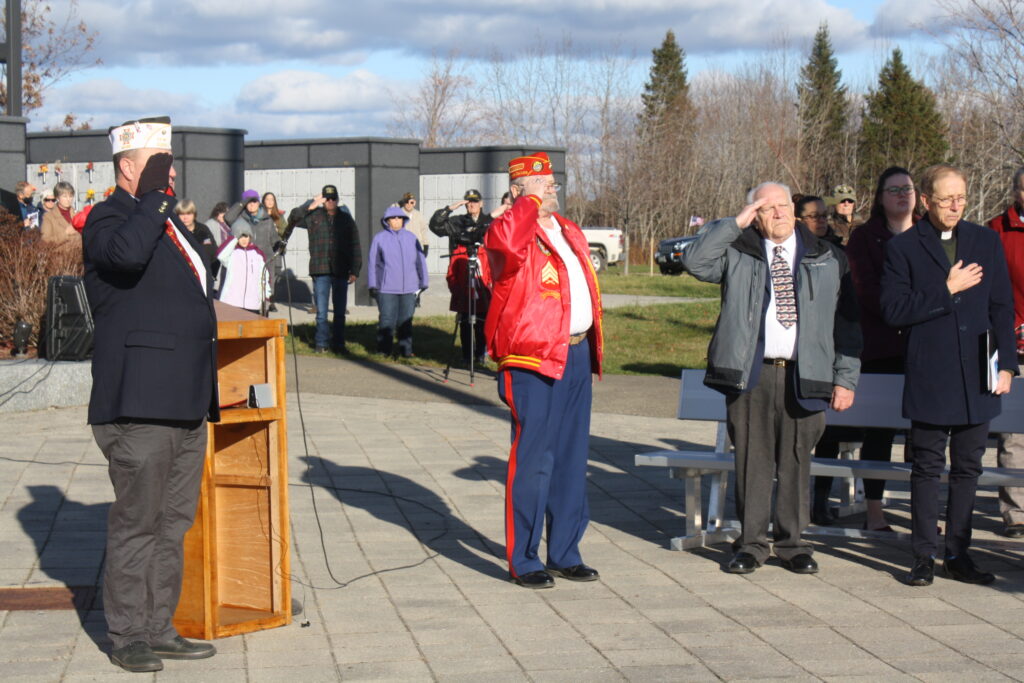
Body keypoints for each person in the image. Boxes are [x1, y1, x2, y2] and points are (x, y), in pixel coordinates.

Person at [82, 116, 218, 672]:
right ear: (127, 169)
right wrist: (157, 201)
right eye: (159, 166)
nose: (171, 177)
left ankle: (158, 625)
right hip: (138, 403)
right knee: (138, 522)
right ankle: (128, 634)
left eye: (172, 166)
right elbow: (127, 258)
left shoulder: (166, 224)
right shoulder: (109, 218)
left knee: (172, 522)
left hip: (185, 398)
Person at [682, 181, 861, 576]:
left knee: (796, 460)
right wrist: (735, 223)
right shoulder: (738, 251)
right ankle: (750, 543)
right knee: (752, 461)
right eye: (766, 208)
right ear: (755, 216)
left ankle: (793, 544)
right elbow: (694, 262)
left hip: (806, 374)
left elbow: (847, 324)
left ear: (794, 211)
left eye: (782, 205)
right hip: (751, 373)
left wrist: (846, 377)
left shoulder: (828, 256)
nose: (777, 213)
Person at [881, 163, 1016, 586]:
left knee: (968, 468)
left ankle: (958, 553)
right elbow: (894, 311)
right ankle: (923, 555)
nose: (956, 206)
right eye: (946, 199)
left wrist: (1007, 364)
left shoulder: (984, 240)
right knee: (925, 468)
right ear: (925, 200)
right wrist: (947, 288)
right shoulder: (903, 247)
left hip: (978, 372)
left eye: (961, 197)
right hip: (931, 374)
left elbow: (1000, 306)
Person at [484, 152, 604, 589]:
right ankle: (524, 558)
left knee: (572, 459)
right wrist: (525, 205)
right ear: (519, 190)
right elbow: (507, 249)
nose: (553, 187)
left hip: (574, 353)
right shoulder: (508, 227)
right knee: (535, 460)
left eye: (552, 181)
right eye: (542, 182)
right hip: (531, 356)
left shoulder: (568, 229)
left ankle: (565, 551)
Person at [832, 167, 919, 532]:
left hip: (924, 346)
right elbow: (864, 290)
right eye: (893, 189)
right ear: (881, 197)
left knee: (925, 435)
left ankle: (923, 514)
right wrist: (914, 306)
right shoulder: (866, 237)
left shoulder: (930, 233)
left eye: (908, 189)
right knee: (879, 434)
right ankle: (874, 511)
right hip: (881, 346)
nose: (902, 195)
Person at [988, 166, 1024, 539]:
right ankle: (1015, 509)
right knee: (1014, 432)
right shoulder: (997, 229)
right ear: (1015, 191)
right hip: (1014, 342)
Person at [285, 184, 361, 353]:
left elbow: (355, 244)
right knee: (321, 313)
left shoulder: (346, 219)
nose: (330, 202)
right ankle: (321, 344)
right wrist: (311, 203)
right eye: (327, 199)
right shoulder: (314, 216)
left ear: (338, 199)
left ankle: (339, 344)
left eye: (333, 198)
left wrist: (355, 270)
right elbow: (293, 218)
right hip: (320, 270)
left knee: (340, 311)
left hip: (341, 270)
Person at [430, 189, 503, 364]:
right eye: (469, 202)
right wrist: (449, 209)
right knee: (464, 319)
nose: (472, 205)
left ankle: (480, 354)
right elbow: (436, 226)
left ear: (482, 203)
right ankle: (466, 355)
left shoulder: (489, 222)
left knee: (482, 318)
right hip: (461, 271)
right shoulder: (458, 222)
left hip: (483, 273)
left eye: (475, 201)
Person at [367, 206, 428, 357]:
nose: (396, 221)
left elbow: (420, 261)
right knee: (387, 320)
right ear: (387, 221)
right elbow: (373, 263)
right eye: (393, 218)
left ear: (404, 220)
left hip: (409, 287)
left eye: (399, 218)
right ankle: (384, 350)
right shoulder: (379, 238)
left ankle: (406, 351)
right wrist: (373, 284)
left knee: (406, 321)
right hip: (386, 288)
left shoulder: (411, 238)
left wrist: (423, 281)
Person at [216, 228, 270, 314]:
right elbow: (220, 255)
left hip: (252, 304)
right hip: (231, 302)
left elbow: (264, 276)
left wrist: (266, 296)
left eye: (246, 236)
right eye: (241, 237)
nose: (244, 240)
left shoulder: (258, 254)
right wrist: (234, 237)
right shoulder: (232, 254)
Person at [175, 198, 218, 277]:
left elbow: (212, 252)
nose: (185, 218)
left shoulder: (203, 230)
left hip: (202, 274)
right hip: (181, 275)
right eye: (182, 214)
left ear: (194, 215)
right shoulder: (174, 232)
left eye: (188, 214)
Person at [40, 181, 82, 255]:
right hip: (61, 260)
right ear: (57, 198)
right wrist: (65, 233)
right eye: (65, 196)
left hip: (80, 258)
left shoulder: (78, 214)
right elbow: (45, 242)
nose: (69, 199)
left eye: (71, 196)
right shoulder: (49, 217)